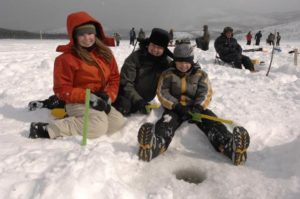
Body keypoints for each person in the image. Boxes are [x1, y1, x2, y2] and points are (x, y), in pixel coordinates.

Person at [137, 43, 250, 165]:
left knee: (213, 123)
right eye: (179, 62)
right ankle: (156, 144)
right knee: (166, 123)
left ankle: (229, 146)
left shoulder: (200, 74)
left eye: (186, 62)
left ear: (191, 61)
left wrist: (198, 106)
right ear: (175, 61)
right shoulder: (168, 74)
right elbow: (162, 92)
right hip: (175, 108)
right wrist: (176, 106)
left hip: (196, 109)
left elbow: (205, 92)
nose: (183, 65)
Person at [28, 11, 124, 139]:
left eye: (90, 33)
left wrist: (108, 96)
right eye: (81, 35)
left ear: (95, 34)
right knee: (98, 126)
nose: (87, 38)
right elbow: (62, 90)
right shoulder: (65, 59)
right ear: (74, 37)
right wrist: (88, 98)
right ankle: (49, 129)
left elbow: (114, 78)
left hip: (99, 101)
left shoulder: (105, 54)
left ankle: (81, 120)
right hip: (77, 101)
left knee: (117, 123)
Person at [112, 28, 173, 116]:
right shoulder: (135, 58)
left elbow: (180, 69)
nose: (155, 50)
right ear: (148, 44)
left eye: (159, 47)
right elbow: (126, 83)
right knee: (125, 107)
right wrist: (139, 101)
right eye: (153, 45)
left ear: (164, 50)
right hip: (126, 95)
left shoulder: (166, 63)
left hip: (145, 99)